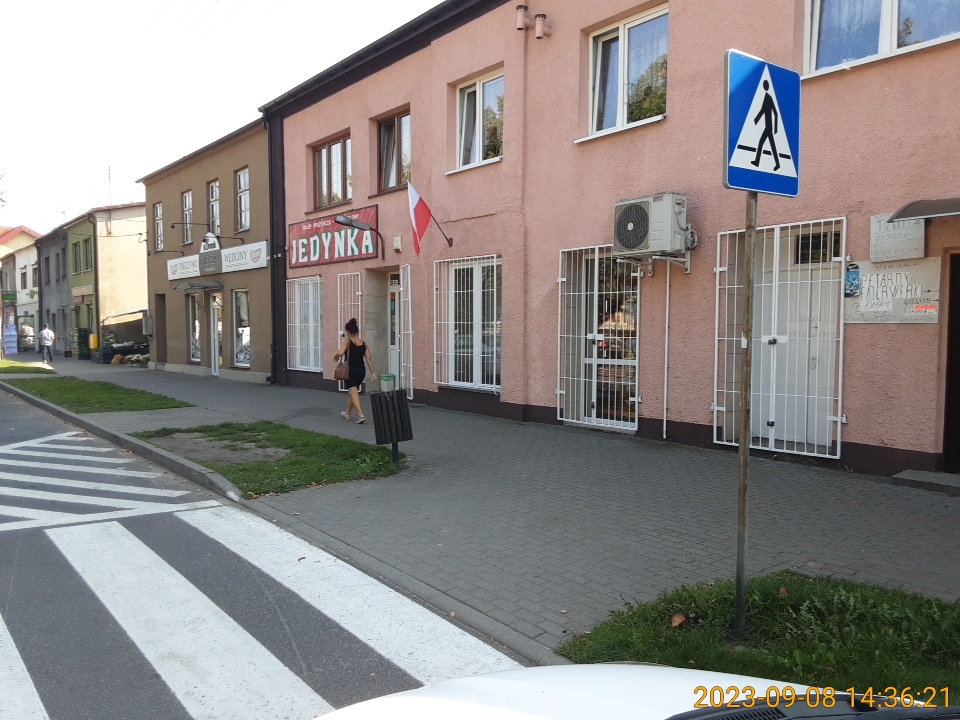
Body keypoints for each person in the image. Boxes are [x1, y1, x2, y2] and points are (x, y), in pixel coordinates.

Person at [333, 318, 377, 424]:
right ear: (356, 331)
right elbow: (369, 359)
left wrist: (336, 356)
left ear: (348, 331)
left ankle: (361, 415)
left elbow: (341, 352)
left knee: (353, 392)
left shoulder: (347, 341)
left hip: (350, 371)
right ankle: (347, 413)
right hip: (361, 371)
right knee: (352, 393)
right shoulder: (364, 343)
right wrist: (373, 373)